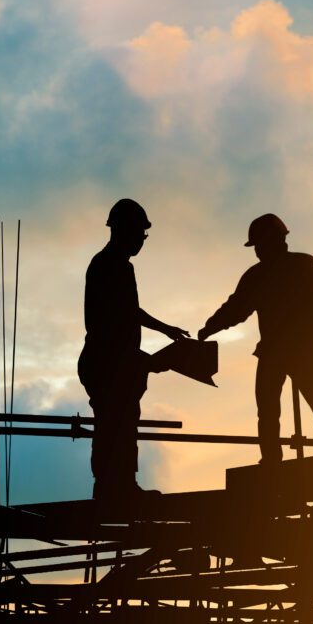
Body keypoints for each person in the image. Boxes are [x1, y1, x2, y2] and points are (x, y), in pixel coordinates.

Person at [198, 214, 313, 465]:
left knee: (300, 408)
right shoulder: (291, 267)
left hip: (291, 352)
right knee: (289, 409)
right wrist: (210, 327)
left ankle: (279, 460)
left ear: (273, 241)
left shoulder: (280, 270)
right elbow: (236, 308)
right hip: (286, 352)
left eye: (259, 245)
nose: (257, 251)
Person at [78, 199, 189, 503]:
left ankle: (123, 485)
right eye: (140, 233)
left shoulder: (119, 265)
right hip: (105, 363)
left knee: (124, 422)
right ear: (123, 230)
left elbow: (129, 312)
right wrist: (143, 358)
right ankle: (109, 488)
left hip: (116, 362)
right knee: (113, 423)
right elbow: (114, 319)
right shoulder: (108, 265)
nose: (142, 240)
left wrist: (164, 332)